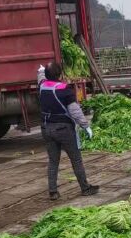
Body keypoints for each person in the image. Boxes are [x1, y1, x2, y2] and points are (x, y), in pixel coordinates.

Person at [38, 62, 99, 200]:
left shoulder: (42, 87)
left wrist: (41, 71)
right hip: (63, 129)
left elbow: (41, 78)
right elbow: (75, 111)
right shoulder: (64, 90)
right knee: (76, 159)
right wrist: (85, 126)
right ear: (60, 74)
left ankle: (53, 192)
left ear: (47, 75)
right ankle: (85, 188)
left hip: (46, 129)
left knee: (53, 161)